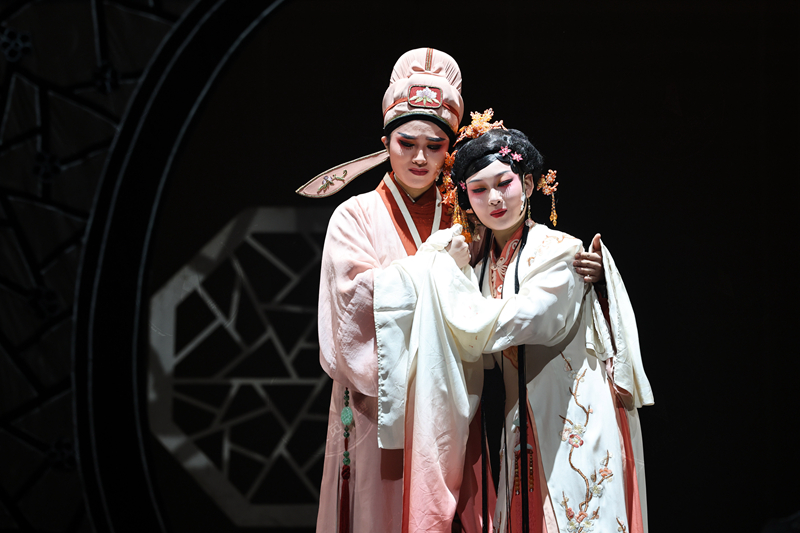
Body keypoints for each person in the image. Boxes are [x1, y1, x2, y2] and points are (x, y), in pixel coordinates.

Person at [298, 49, 606, 533]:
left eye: (435, 145)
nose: (420, 157)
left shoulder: (467, 218)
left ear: (449, 151)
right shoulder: (354, 216)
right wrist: (434, 265)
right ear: (385, 143)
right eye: (406, 143)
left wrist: (587, 273)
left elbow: (515, 277)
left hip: (458, 403)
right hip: (380, 410)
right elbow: (351, 308)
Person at [372, 123, 652, 533]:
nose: (494, 198)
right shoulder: (478, 265)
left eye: (504, 183)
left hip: (575, 412)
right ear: (466, 198)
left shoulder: (562, 253)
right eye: (479, 189)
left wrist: (443, 276)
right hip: (517, 417)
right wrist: (444, 266)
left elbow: (524, 321)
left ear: (529, 183)